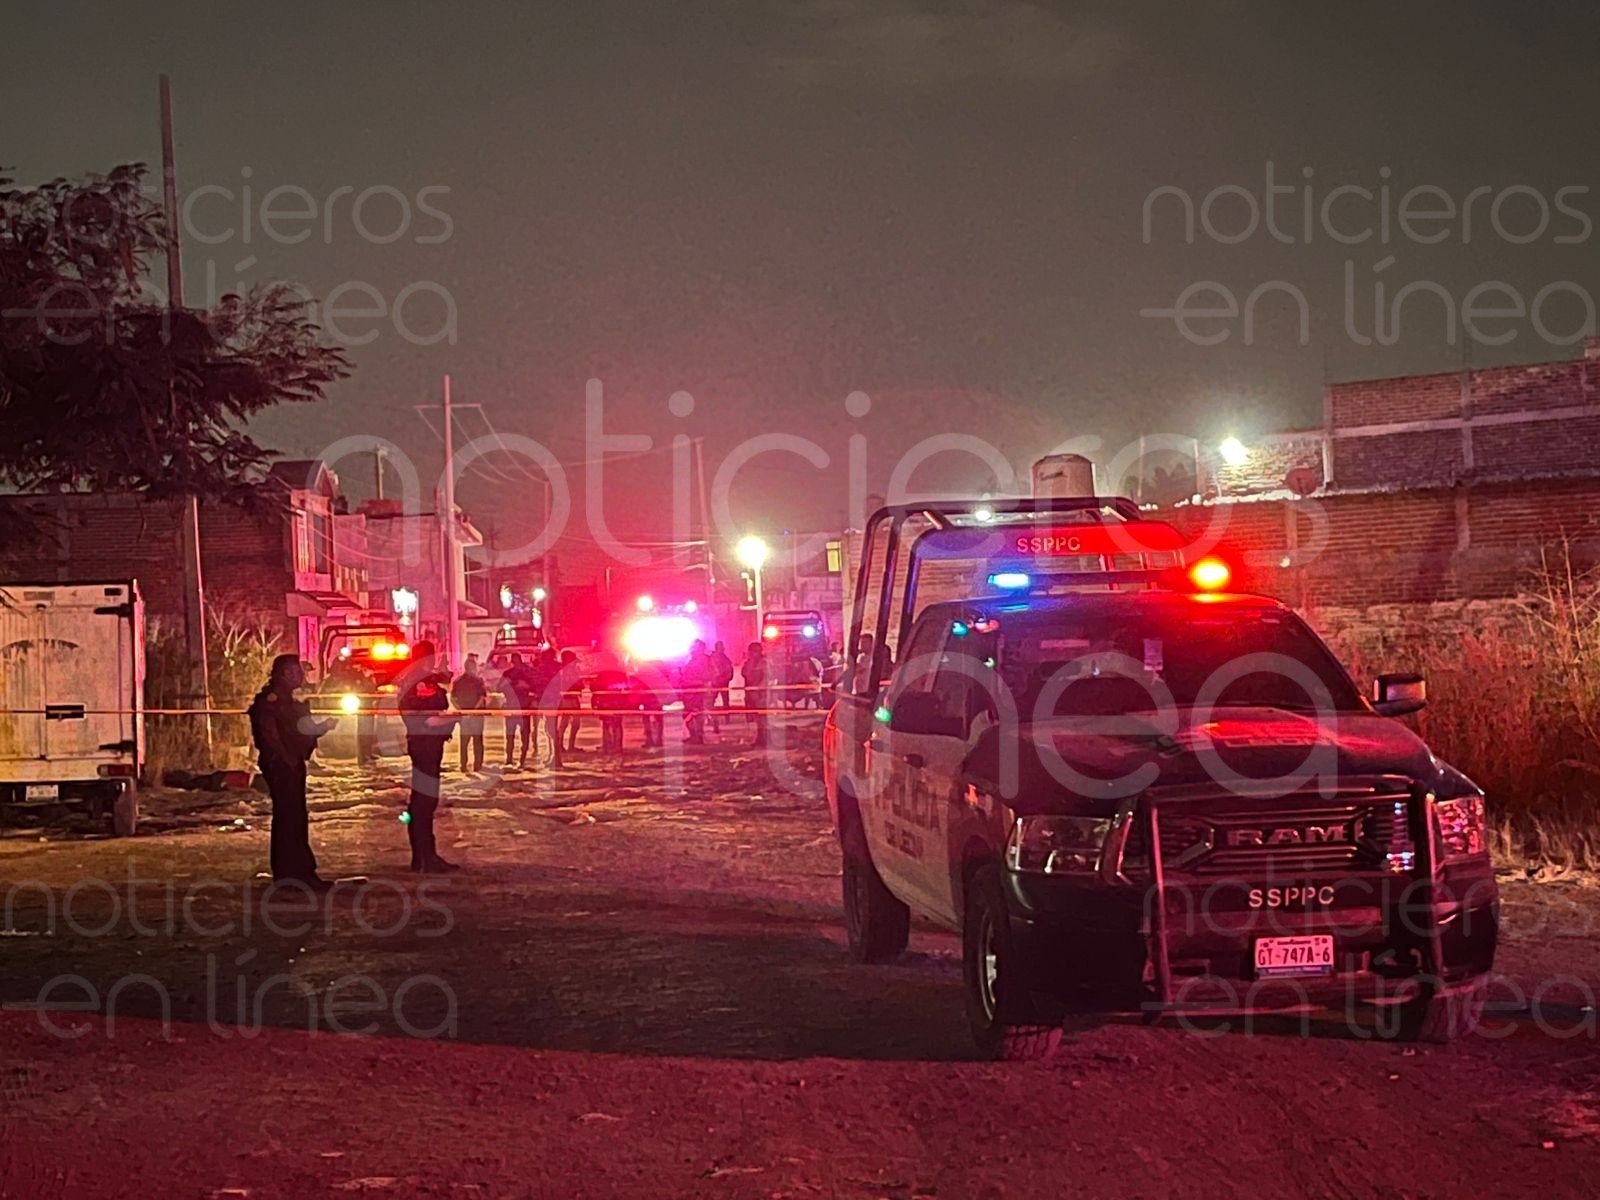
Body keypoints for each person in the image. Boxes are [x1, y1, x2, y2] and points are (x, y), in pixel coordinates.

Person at [249, 654, 336, 888]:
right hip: (281, 765)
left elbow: (300, 732)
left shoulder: (288, 702)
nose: (301, 676)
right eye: (297, 671)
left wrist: (323, 728)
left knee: (294, 817)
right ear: (286, 674)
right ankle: (293, 873)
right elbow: (269, 735)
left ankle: (297, 872)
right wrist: (286, 759)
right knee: (289, 817)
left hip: (291, 762)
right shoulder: (271, 701)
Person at [398, 641, 460, 873]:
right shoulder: (418, 681)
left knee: (425, 800)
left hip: (428, 743)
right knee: (424, 800)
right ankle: (424, 857)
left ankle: (424, 856)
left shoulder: (419, 678)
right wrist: (453, 719)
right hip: (424, 743)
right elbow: (423, 717)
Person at [451, 653, 488, 773]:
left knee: (464, 741)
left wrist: (461, 711)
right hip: (476, 715)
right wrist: (473, 711)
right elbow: (482, 698)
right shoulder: (478, 681)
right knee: (477, 741)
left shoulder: (458, 681)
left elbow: (453, 698)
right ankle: (478, 765)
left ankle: (463, 765)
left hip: (464, 715)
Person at [499, 652, 534, 768]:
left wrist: (526, 686)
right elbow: (499, 687)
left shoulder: (527, 673)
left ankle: (522, 760)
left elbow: (535, 687)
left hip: (524, 708)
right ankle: (509, 759)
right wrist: (510, 684)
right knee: (510, 735)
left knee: (525, 736)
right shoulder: (508, 674)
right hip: (511, 707)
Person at [680, 639, 714, 745]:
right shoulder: (690, 659)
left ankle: (698, 736)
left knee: (696, 713)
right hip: (688, 690)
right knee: (688, 714)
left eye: (695, 647)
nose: (692, 649)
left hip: (697, 690)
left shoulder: (704, 660)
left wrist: (702, 683)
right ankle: (693, 735)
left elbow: (710, 674)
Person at [741, 641, 769, 748]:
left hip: (761, 694)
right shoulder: (749, 663)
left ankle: (765, 739)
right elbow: (744, 674)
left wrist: (759, 691)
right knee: (757, 718)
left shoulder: (764, 663)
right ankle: (760, 738)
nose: (754, 654)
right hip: (751, 694)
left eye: (756, 651)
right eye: (752, 652)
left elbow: (767, 678)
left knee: (763, 718)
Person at [708, 641, 734, 732]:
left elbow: (729, 669)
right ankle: (711, 718)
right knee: (711, 701)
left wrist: (727, 678)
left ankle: (726, 717)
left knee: (725, 700)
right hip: (715, 683)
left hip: (722, 682)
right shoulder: (713, 658)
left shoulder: (724, 658)